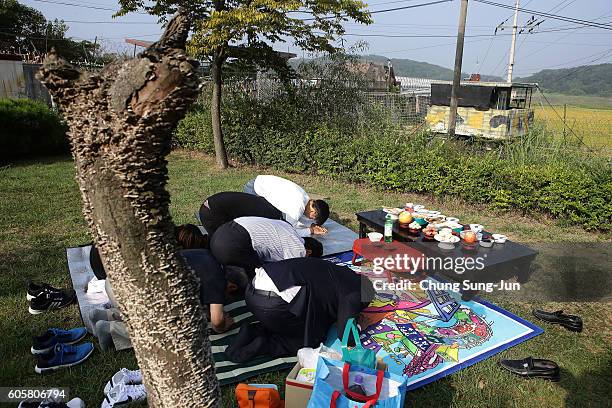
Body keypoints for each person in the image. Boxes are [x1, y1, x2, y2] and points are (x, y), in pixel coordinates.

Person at [88, 247, 246, 351]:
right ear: (231, 286)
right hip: (128, 291)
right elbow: (217, 323)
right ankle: (109, 329)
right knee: (164, 333)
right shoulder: (217, 279)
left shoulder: (205, 255)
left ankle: (106, 315)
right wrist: (225, 325)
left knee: (151, 314)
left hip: (116, 282)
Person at [225, 257, 375, 363]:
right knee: (310, 339)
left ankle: (253, 330)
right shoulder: (355, 293)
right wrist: (360, 325)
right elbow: (345, 335)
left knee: (309, 316)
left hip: (253, 289)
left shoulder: (341, 272)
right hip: (273, 303)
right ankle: (260, 345)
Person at [210, 216, 323, 278]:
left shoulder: (287, 228)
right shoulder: (298, 248)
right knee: (262, 276)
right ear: (308, 252)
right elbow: (293, 271)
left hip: (220, 233)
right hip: (232, 244)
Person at [245, 175, 330, 236]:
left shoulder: (305, 199)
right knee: (256, 223)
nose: (310, 219)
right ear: (313, 211)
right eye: (313, 218)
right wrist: (311, 230)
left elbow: (300, 216)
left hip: (260, 181)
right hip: (254, 189)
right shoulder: (297, 206)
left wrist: (311, 225)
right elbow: (288, 232)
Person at [198, 192, 283, 237]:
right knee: (221, 239)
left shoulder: (261, 203)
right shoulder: (269, 214)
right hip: (214, 211)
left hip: (209, 206)